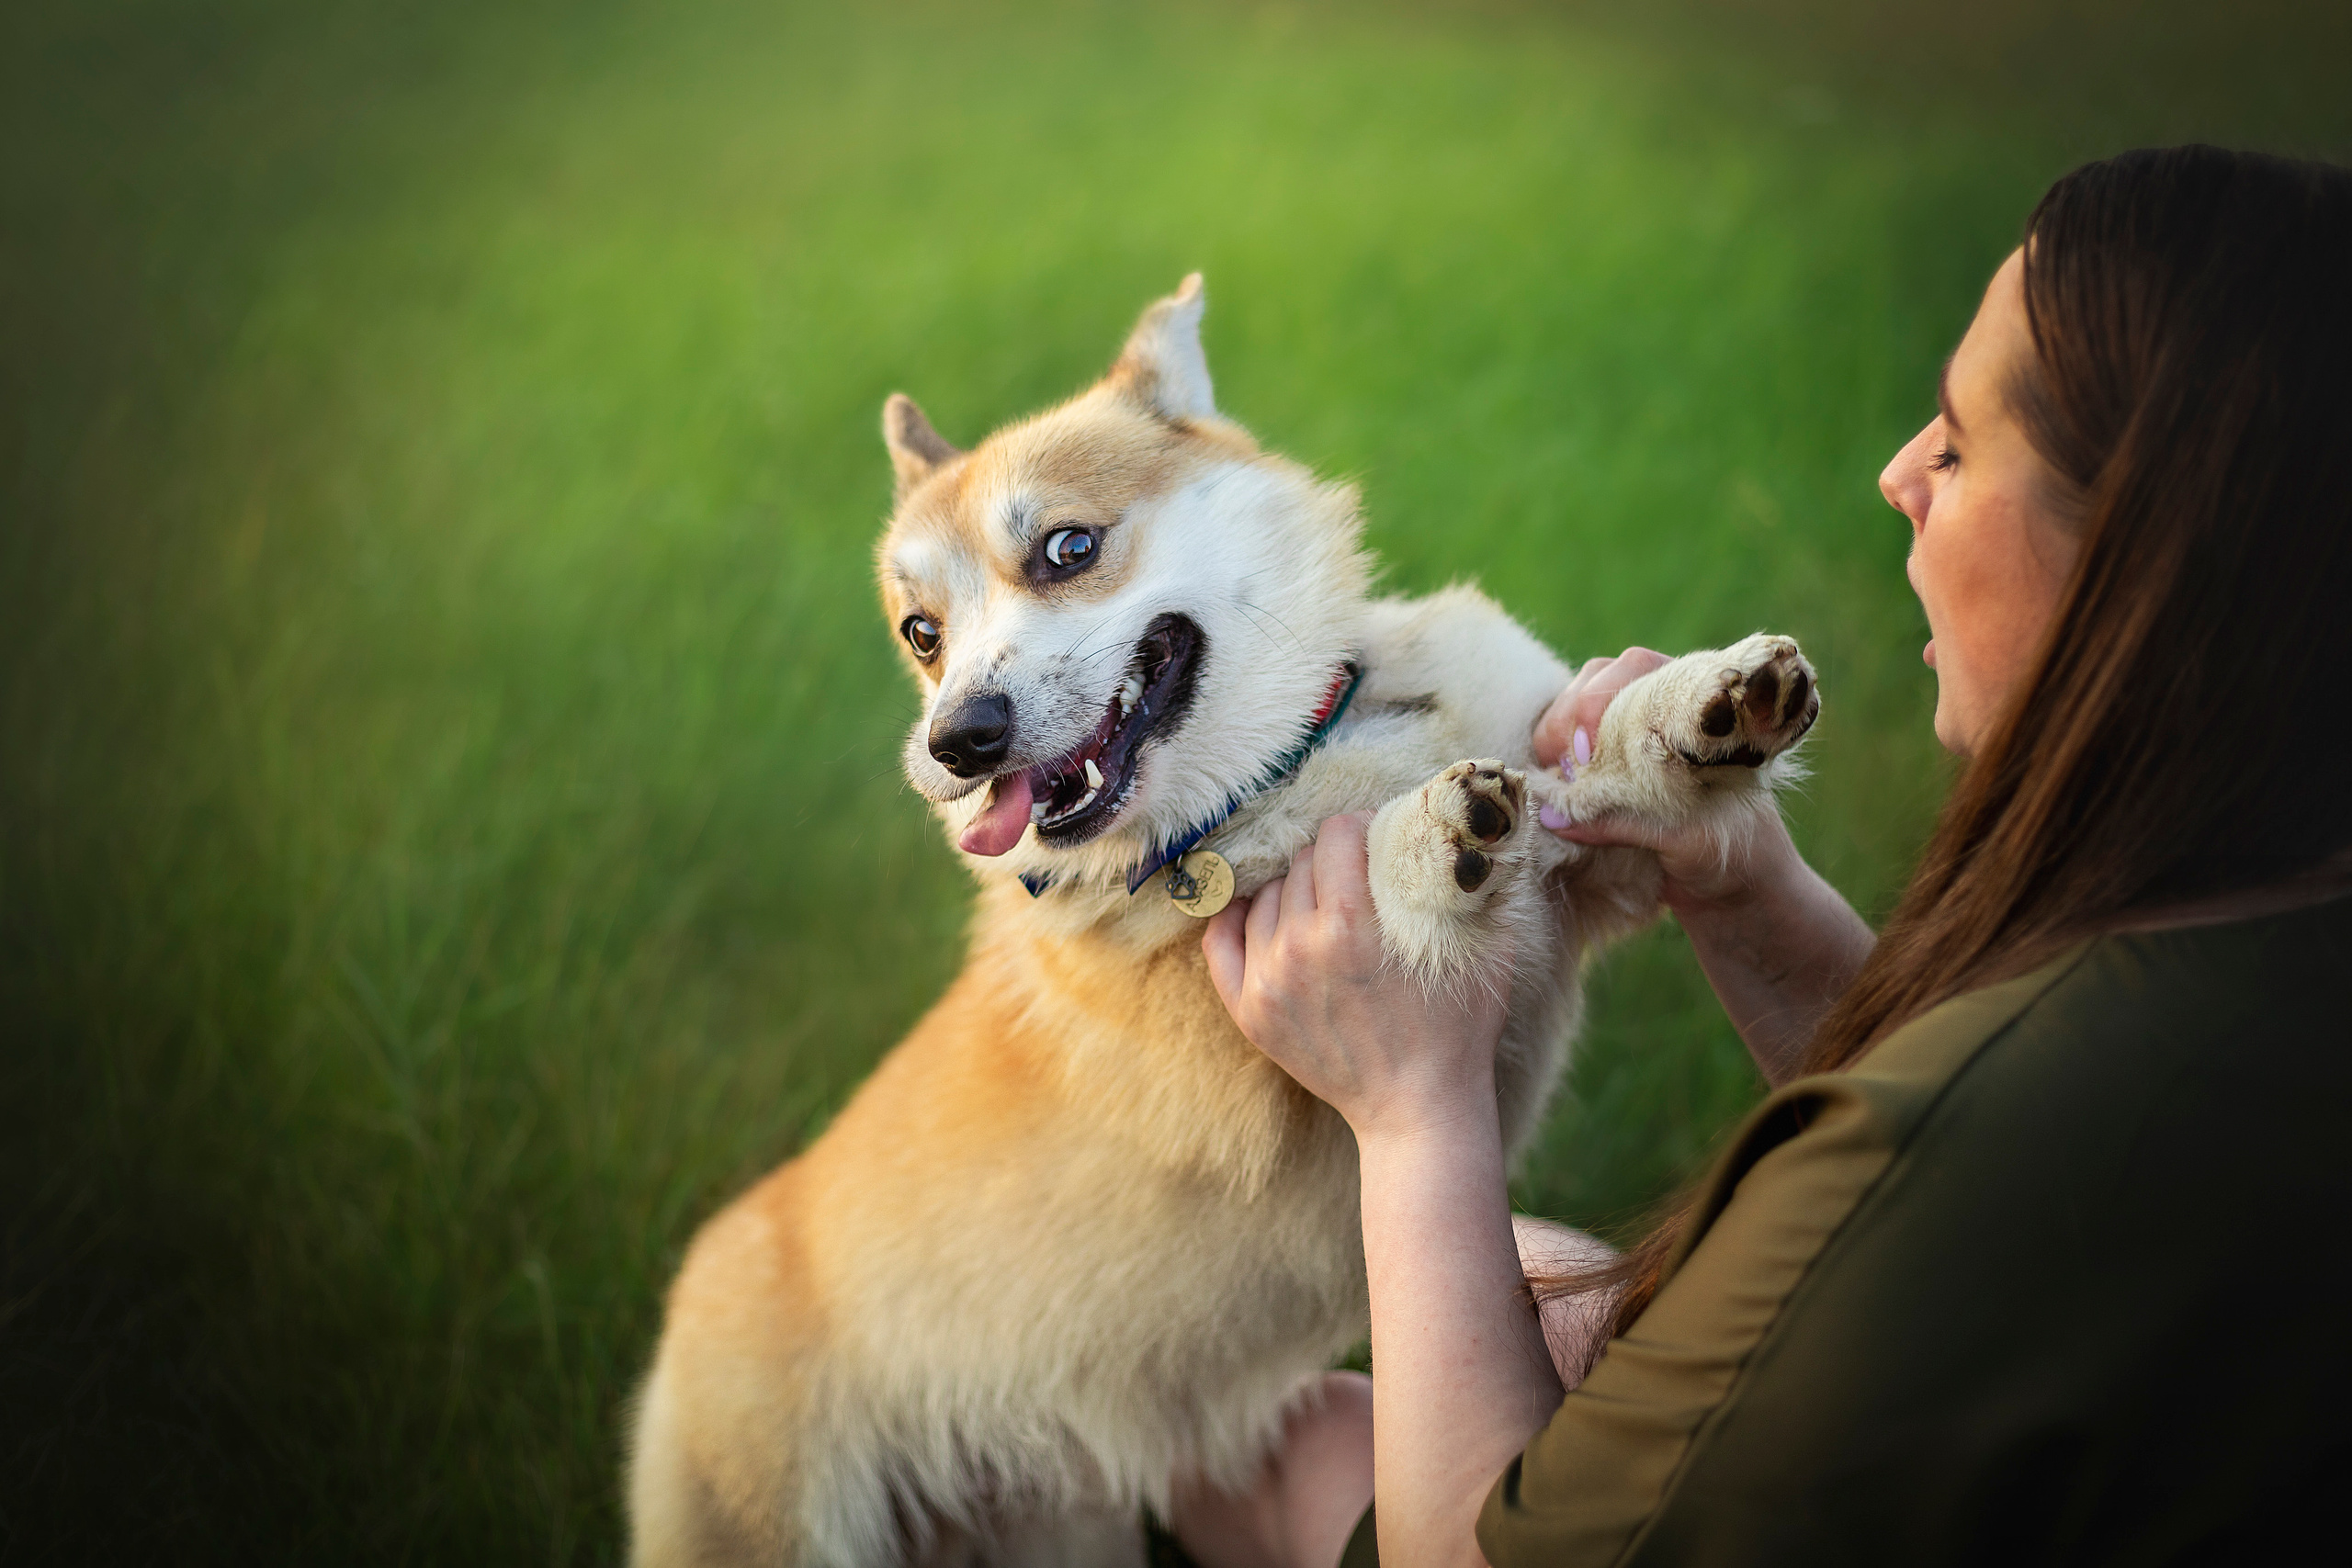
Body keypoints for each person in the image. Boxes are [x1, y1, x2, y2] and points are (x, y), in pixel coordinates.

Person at [1170, 144, 2352, 1567]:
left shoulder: (1965, 1148)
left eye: (1962, 446)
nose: (1899, 472)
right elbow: (1991, 1221)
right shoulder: (2267, 933)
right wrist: (1753, 896)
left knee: (1270, 1447)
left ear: (2148, 565)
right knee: (1552, 1278)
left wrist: (1414, 1107)